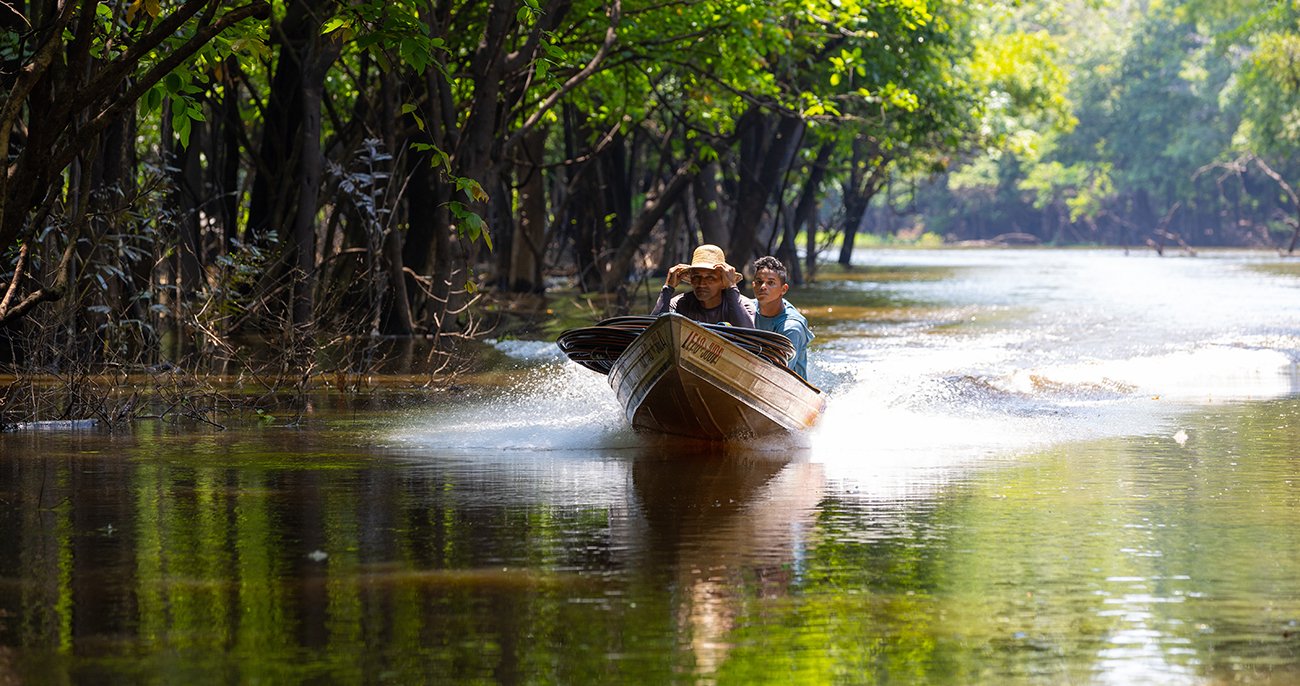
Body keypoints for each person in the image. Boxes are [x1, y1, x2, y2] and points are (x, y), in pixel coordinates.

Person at [651, 244, 756, 327]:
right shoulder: (679, 304)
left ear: (723, 283)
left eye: (710, 278)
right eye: (697, 277)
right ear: (691, 280)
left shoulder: (743, 305)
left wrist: (732, 287)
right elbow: (652, 332)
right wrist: (668, 288)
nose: (701, 283)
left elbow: (749, 335)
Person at [750, 255, 813, 379]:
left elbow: (779, 375)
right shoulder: (747, 308)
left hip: (788, 386)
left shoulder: (792, 327)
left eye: (771, 283)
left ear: (783, 289)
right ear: (753, 285)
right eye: (759, 282)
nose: (763, 286)